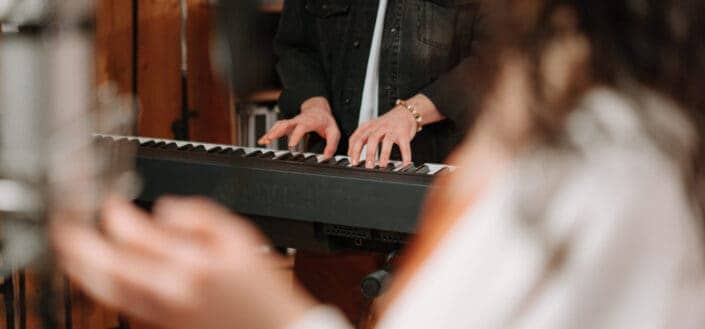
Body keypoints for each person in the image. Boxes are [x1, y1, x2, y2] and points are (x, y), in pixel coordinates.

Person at [53, 0, 705, 328]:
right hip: (336, 194)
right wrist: (312, 103)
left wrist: (265, 314)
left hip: (427, 177)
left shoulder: (616, 168)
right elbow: (297, 41)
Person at [258, 0, 483, 166]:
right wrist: (314, 105)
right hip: (334, 163)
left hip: (434, 172)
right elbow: (296, 46)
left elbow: (494, 63)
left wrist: (411, 113)